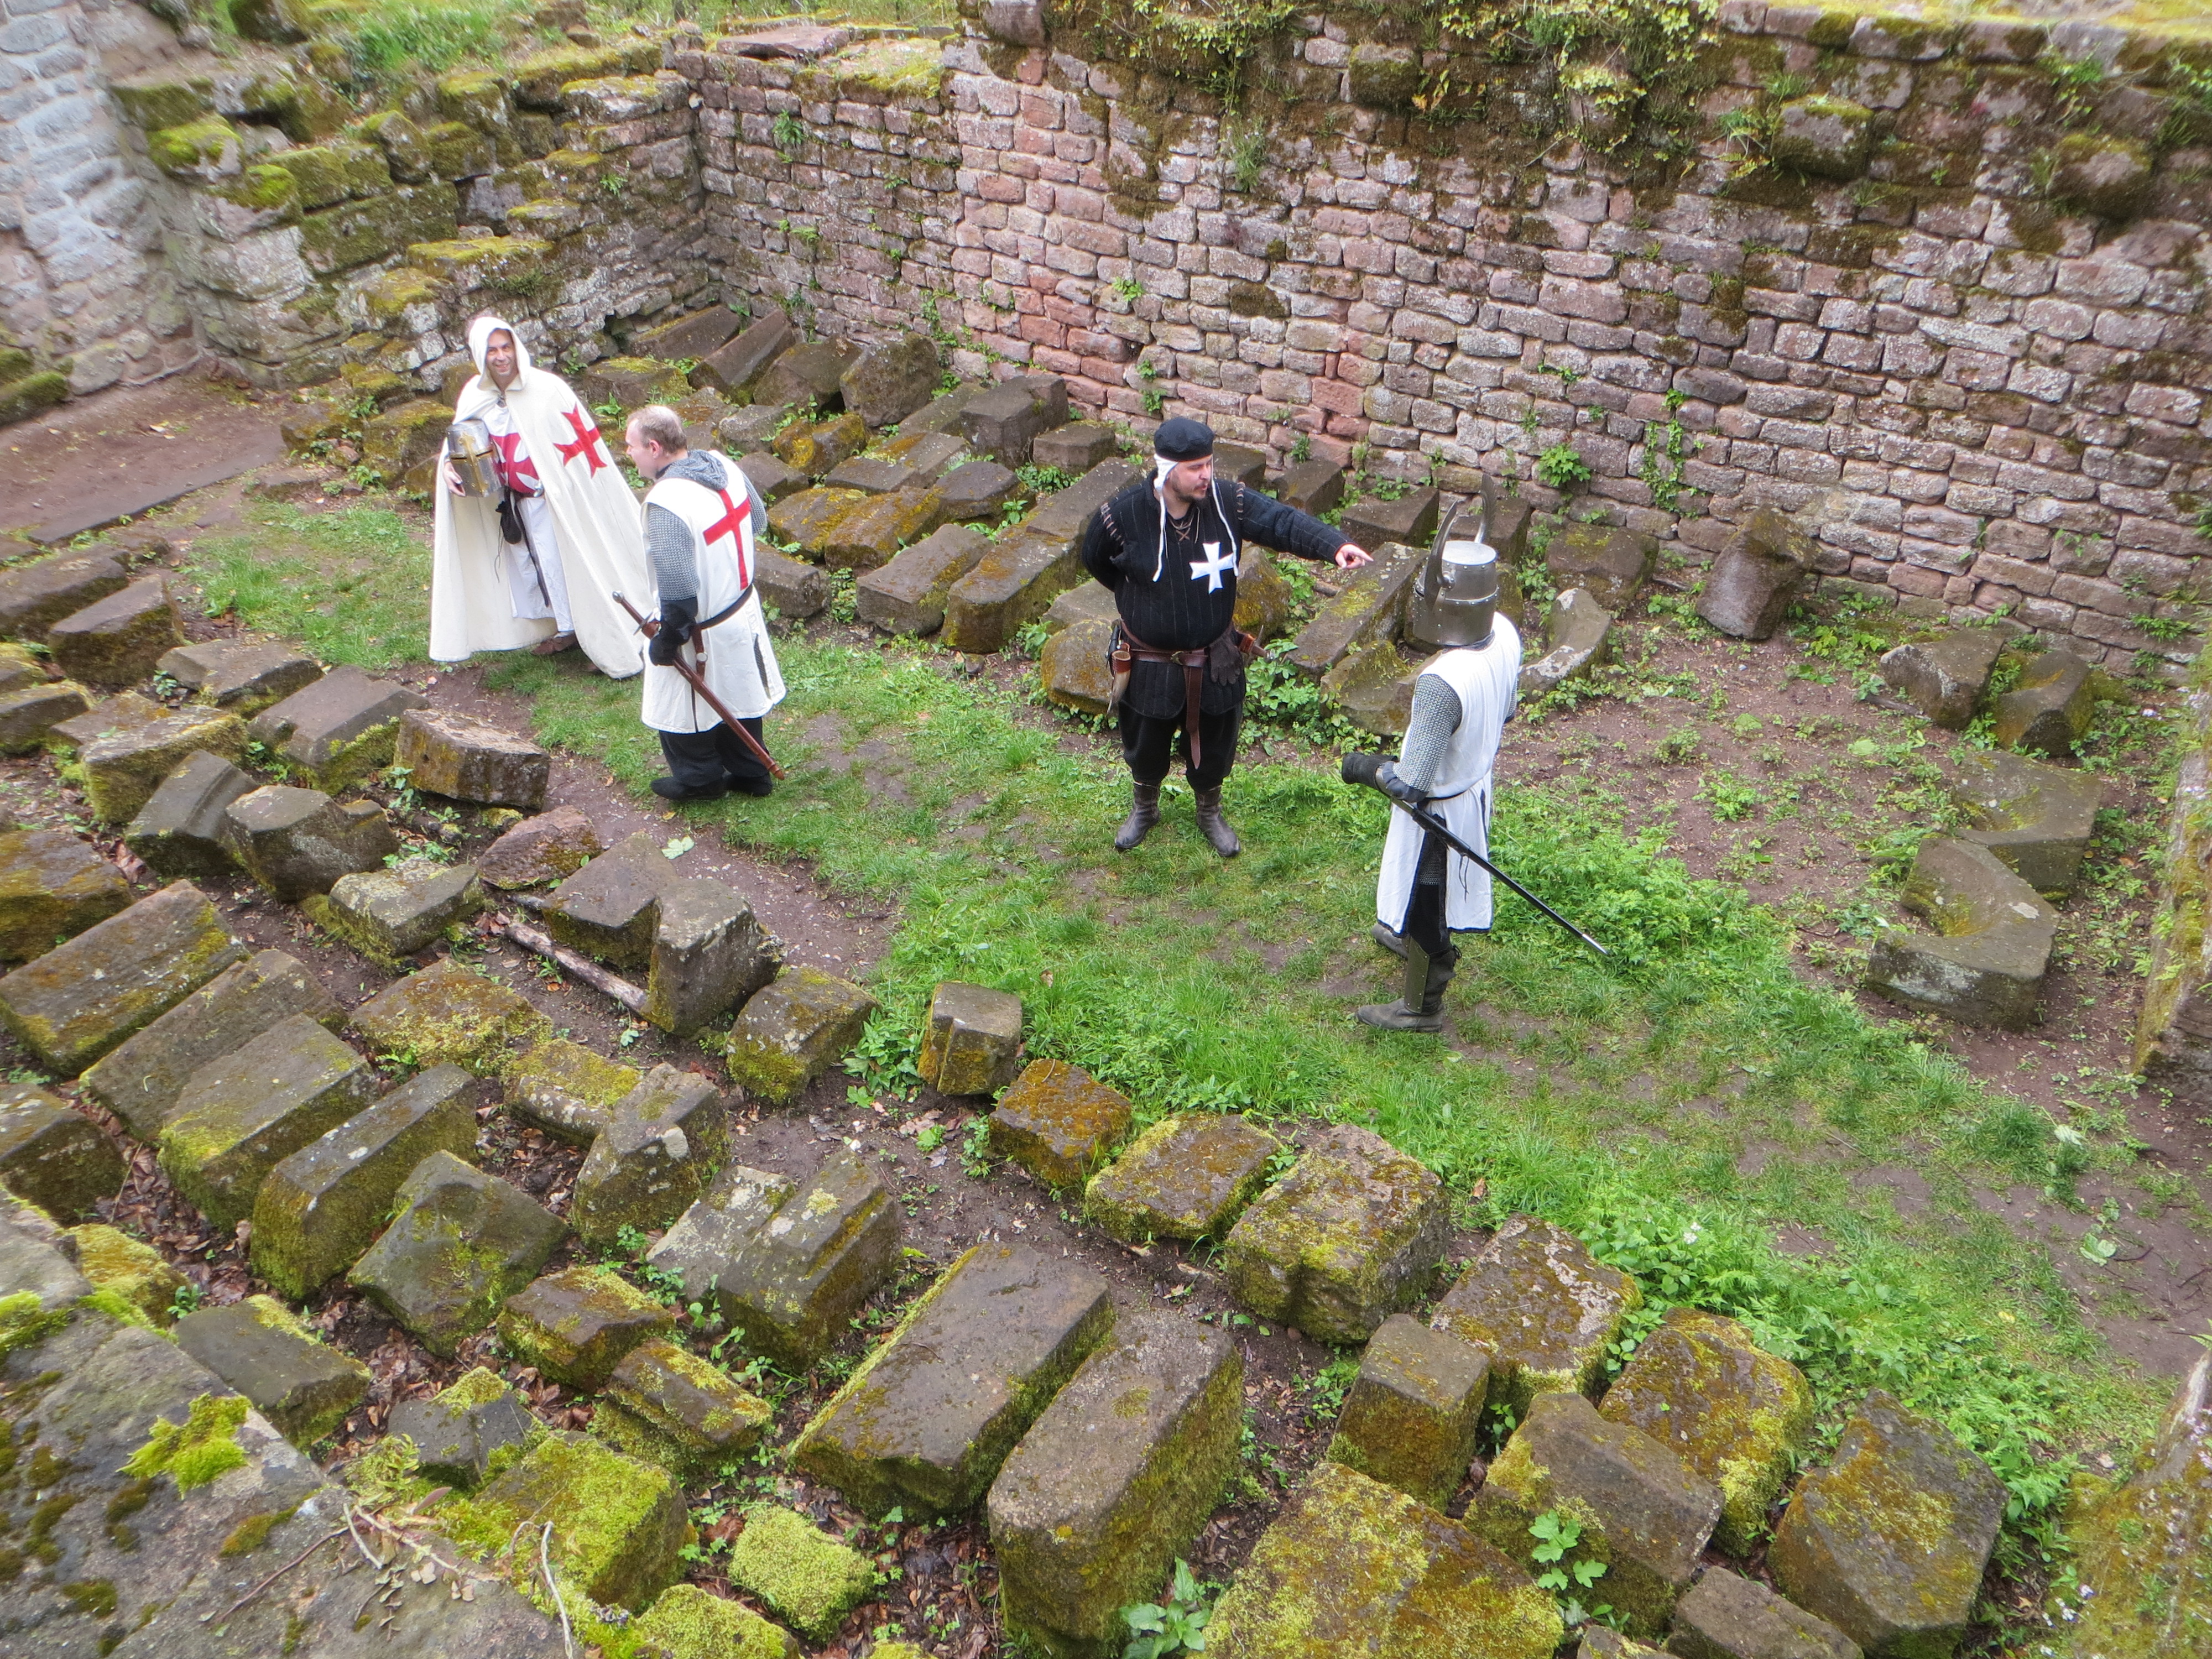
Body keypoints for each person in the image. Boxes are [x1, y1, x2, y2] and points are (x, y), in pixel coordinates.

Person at [1080, 417, 1373, 856]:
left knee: (1217, 743)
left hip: (1215, 658)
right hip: (1148, 662)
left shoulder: (1227, 502)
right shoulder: (1122, 515)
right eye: (1195, 468)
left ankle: (1209, 811)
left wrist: (1333, 545)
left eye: (1209, 464)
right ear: (1167, 469)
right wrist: (1146, 598)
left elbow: (1280, 521)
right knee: (1144, 745)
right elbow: (1095, 559)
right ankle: (1145, 808)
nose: (1206, 475)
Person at [1357, 533, 1523, 1032]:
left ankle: (1422, 1006)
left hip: (1440, 812)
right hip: (1473, 783)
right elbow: (1507, 711)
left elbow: (1410, 784)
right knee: (1423, 892)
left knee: (1429, 893)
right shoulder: (1505, 631)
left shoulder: (1442, 682)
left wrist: (1365, 768)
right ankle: (1407, 937)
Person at [430, 315, 647, 677]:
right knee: (537, 569)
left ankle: (603, 637)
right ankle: (564, 629)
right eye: (492, 350)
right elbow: (462, 442)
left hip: (556, 501)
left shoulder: (547, 390)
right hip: (514, 502)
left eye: (506, 347)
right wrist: (451, 468)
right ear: (480, 354)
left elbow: (581, 448)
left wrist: (562, 490)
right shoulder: (474, 395)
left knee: (573, 565)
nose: (501, 356)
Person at [623, 404, 785, 803]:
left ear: (655, 448)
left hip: (702, 623)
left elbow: (679, 587)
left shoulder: (667, 502)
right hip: (740, 608)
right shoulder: (722, 465)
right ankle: (751, 772)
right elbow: (757, 521)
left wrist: (669, 637)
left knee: (683, 701)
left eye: (632, 446)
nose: (629, 453)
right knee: (738, 692)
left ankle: (700, 780)